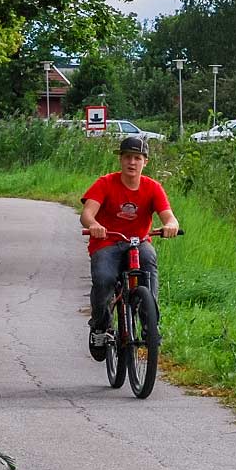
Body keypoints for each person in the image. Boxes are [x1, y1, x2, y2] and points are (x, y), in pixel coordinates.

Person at [80, 136, 180, 360]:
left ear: (145, 161)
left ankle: (150, 324)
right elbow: (87, 213)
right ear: (120, 160)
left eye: (137, 158)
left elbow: (169, 217)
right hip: (107, 242)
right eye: (127, 157)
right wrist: (94, 225)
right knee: (104, 278)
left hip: (139, 241)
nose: (132, 162)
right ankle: (100, 326)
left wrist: (170, 226)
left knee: (148, 264)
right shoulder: (105, 183)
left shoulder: (152, 187)